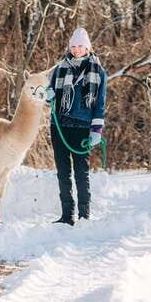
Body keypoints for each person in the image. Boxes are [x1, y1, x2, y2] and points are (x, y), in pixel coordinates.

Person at [47, 27, 107, 225]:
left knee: (82, 173)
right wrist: (49, 96)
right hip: (60, 126)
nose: (76, 49)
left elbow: (100, 103)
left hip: (83, 127)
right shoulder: (60, 68)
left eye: (80, 46)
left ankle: (83, 215)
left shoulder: (98, 71)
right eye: (73, 46)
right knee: (63, 172)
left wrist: (96, 130)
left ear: (87, 47)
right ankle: (66, 215)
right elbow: (51, 92)